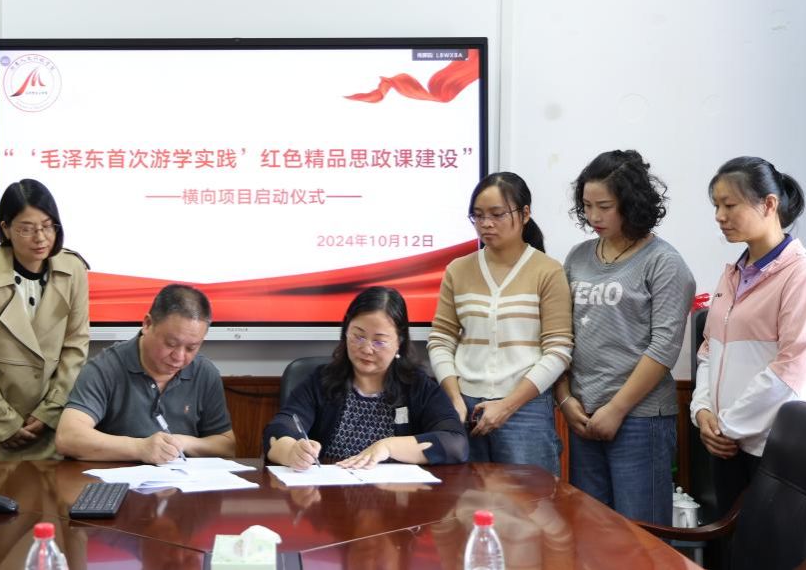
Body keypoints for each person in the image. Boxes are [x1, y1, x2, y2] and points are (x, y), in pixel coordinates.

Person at [554, 150, 694, 525]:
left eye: (604, 206)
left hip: (640, 419)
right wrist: (565, 399)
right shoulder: (578, 257)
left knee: (640, 536)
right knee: (590, 530)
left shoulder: (663, 262)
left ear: (631, 204)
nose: (593, 217)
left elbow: (664, 347)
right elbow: (559, 332)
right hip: (583, 414)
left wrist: (616, 409)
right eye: (587, 206)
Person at [691, 156, 806, 512]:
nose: (719, 216)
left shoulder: (804, 274)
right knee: (729, 539)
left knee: (773, 543)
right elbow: (708, 350)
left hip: (778, 448)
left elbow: (792, 369)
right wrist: (702, 411)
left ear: (769, 204)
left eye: (729, 205)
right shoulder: (732, 274)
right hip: (726, 444)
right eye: (716, 206)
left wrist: (728, 425)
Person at [427, 171, 573, 476]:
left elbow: (559, 350)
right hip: (465, 406)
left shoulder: (548, 271)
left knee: (531, 500)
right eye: (478, 215)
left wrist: (507, 405)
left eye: (497, 214)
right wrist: (454, 398)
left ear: (525, 214)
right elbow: (441, 339)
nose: (486, 224)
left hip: (525, 410)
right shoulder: (458, 270)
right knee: (466, 496)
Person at [0, 179, 90, 472]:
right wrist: (1, 419)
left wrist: (48, 412)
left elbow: (76, 346)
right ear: (6, 229)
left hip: (43, 423)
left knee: (42, 499)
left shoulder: (73, 270)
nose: (40, 238)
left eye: (47, 226)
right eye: (27, 228)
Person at [264, 286, 468, 471]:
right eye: (358, 336)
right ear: (345, 332)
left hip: (397, 496)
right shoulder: (321, 381)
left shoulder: (418, 387)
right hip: (329, 493)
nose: (366, 349)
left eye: (379, 342)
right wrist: (292, 451)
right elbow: (279, 430)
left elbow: (456, 444)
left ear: (399, 342)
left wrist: (388, 446)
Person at [56, 284, 235, 463]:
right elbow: (68, 437)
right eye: (171, 344)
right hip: (117, 477)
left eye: (191, 348)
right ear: (148, 324)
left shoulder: (204, 372)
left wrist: (183, 443)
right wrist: (140, 448)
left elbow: (227, 446)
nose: (179, 357)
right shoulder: (105, 368)